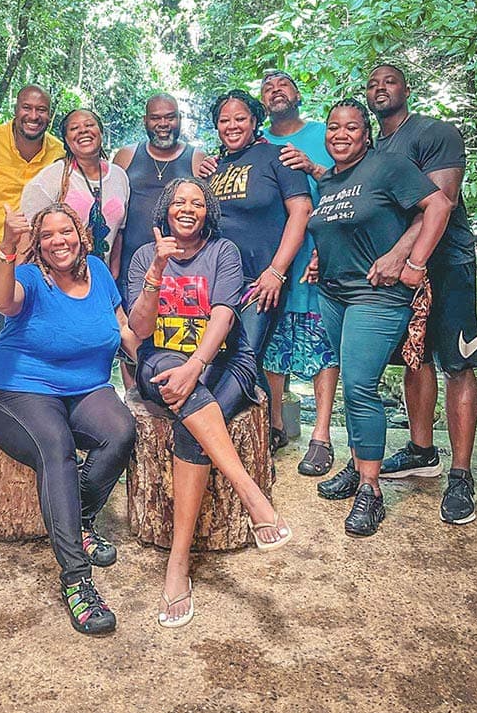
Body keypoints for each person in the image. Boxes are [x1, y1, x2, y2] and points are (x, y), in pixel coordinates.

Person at [128, 177, 292, 630]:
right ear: (166, 207)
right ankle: (252, 497)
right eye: (179, 201)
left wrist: (196, 365)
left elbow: (223, 315)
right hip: (160, 356)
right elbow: (140, 331)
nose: (187, 208)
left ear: (208, 213)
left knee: (190, 423)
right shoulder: (146, 254)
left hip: (223, 360)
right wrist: (156, 272)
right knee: (187, 400)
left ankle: (176, 564)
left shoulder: (224, 252)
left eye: (197, 203)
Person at [0, 202, 137, 636]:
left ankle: (76, 522)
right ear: (37, 246)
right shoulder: (29, 276)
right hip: (13, 386)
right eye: (47, 235)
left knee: (120, 431)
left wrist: (161, 364)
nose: (58, 240)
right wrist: (7, 246)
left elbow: (122, 327)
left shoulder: (98, 270)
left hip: (81, 386)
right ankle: (77, 580)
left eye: (66, 232)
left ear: (80, 235)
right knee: (55, 446)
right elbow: (3, 301)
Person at [307, 99, 451, 536]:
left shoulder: (388, 166)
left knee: (359, 385)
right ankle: (357, 463)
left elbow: (439, 205)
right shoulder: (331, 179)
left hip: (378, 296)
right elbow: (345, 226)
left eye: (351, 128)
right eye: (333, 127)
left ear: (366, 135)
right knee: (353, 386)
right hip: (334, 295)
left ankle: (371, 489)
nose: (340, 134)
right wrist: (320, 254)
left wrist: (411, 260)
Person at [365, 64, 477, 525]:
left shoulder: (436, 133)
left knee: (458, 363)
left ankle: (461, 474)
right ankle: (420, 450)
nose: (380, 88)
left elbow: (441, 201)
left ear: (406, 90)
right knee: (415, 358)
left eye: (389, 81)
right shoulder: (376, 149)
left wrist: (405, 258)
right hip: (400, 276)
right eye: (372, 84)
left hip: (446, 264)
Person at [202, 90, 312, 455]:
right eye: (224, 120)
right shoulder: (213, 167)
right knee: (218, 353)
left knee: (246, 353)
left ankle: (211, 432)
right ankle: (268, 430)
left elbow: (301, 211)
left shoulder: (275, 157)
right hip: (217, 281)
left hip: (259, 281)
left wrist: (277, 271)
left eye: (240, 118)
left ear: (254, 121)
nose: (231, 126)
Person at [259, 70, 340, 476]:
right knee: (274, 346)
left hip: (317, 261)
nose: (276, 91)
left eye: (283, 85)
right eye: (268, 87)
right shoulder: (256, 142)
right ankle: (276, 425)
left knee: (323, 345)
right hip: (272, 265)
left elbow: (351, 184)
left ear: (298, 93)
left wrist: (311, 167)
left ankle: (321, 436)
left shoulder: (325, 134)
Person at [0, 85, 63, 359]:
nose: (33, 115)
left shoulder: (59, 152)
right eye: (27, 108)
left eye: (41, 110)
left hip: (40, 272)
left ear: (50, 116)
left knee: (36, 352)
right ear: (15, 110)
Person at [112, 93, 204, 308]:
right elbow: (114, 214)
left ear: (180, 119)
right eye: (155, 118)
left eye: (170, 117)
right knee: (132, 332)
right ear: (145, 120)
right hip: (131, 266)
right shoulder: (126, 156)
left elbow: (205, 214)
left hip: (181, 269)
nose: (163, 124)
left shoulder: (197, 158)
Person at [21, 109, 129, 278]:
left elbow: (119, 233)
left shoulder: (119, 176)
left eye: (89, 125)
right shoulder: (50, 179)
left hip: (100, 280)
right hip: (58, 281)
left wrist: (112, 276)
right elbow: (28, 237)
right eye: (74, 128)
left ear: (100, 131)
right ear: (66, 139)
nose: (83, 130)